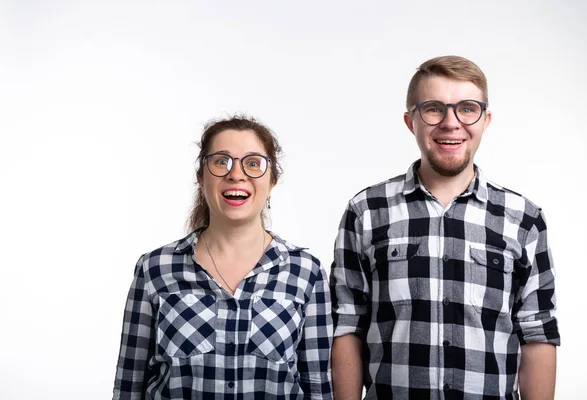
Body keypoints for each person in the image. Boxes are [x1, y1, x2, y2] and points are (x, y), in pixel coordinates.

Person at [330, 56, 560, 399]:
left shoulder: (523, 218)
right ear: (411, 121)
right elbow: (348, 325)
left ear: (485, 120)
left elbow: (538, 333)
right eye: (434, 109)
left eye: (467, 109)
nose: (451, 123)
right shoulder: (366, 211)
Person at [113, 116, 333, 399]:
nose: (236, 175)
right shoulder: (155, 269)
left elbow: (318, 388)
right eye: (221, 162)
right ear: (201, 178)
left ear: (273, 181)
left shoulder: (306, 273)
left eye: (253, 163)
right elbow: (128, 385)